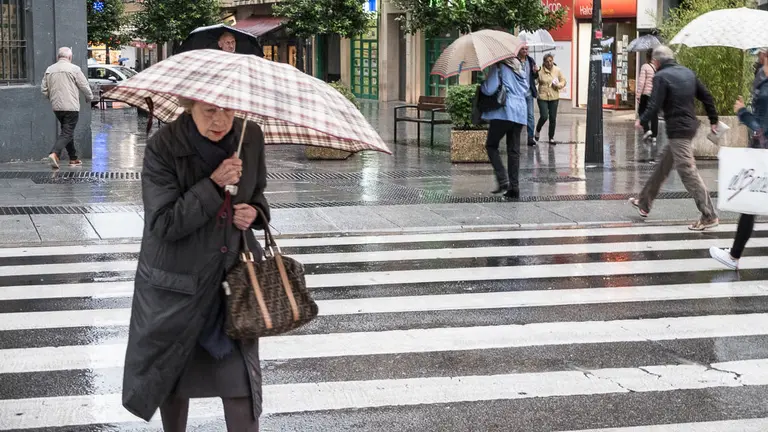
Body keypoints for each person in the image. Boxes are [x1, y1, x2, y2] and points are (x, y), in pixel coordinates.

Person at [122, 97, 270, 431]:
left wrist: (255, 213)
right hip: (177, 288)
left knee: (241, 388)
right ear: (189, 106)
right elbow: (163, 222)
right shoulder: (164, 145)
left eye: (229, 109)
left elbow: (258, 193)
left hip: (231, 285)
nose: (221, 119)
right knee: (172, 382)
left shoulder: (251, 136)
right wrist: (214, 183)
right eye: (210, 111)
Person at [629, 45, 719, 231]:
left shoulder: (661, 77)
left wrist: (642, 119)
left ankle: (709, 215)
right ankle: (644, 202)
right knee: (663, 165)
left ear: (656, 61)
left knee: (687, 171)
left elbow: (654, 104)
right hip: (689, 126)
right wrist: (713, 119)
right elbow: (707, 97)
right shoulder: (688, 73)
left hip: (678, 131)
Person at [710, 48, 768, 269]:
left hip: (763, 151)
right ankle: (734, 255)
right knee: (750, 203)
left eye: (763, 50)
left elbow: (763, 127)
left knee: (750, 202)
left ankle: (734, 256)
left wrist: (743, 112)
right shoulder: (762, 75)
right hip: (759, 150)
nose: (759, 52)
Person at [480, 53, 530, 199]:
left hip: (504, 112)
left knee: (491, 145)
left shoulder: (498, 67)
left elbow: (489, 89)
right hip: (520, 112)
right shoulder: (519, 67)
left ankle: (503, 180)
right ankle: (515, 188)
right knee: (513, 151)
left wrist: (483, 83)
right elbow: (526, 90)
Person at [41, 47, 93, 169]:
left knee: (67, 132)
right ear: (69, 57)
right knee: (67, 132)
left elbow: (43, 89)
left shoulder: (50, 69)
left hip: (57, 107)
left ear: (58, 57)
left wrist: (52, 98)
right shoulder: (74, 69)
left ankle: (73, 158)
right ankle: (54, 153)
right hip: (71, 107)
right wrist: (89, 97)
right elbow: (84, 85)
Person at [535, 53, 566, 145]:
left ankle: (551, 137)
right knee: (544, 116)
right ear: (544, 62)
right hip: (542, 97)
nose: (549, 63)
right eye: (547, 61)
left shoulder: (557, 70)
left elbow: (563, 81)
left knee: (553, 118)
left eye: (550, 61)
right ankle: (538, 130)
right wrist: (534, 74)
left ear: (553, 60)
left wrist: (558, 85)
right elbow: (535, 82)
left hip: (554, 97)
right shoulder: (540, 71)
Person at [516, 45, 539, 146]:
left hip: (529, 92)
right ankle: (515, 137)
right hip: (518, 93)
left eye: (526, 49)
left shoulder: (531, 60)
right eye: (523, 49)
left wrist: (535, 72)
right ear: (519, 50)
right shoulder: (515, 61)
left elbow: (534, 77)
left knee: (530, 115)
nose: (525, 51)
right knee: (518, 115)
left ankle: (530, 137)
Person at [636, 50, 658, 142]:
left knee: (641, 111)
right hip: (655, 94)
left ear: (647, 57)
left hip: (645, 94)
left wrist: (638, 94)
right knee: (654, 115)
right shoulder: (658, 67)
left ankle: (647, 129)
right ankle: (654, 136)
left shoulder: (645, 66)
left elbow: (641, 82)